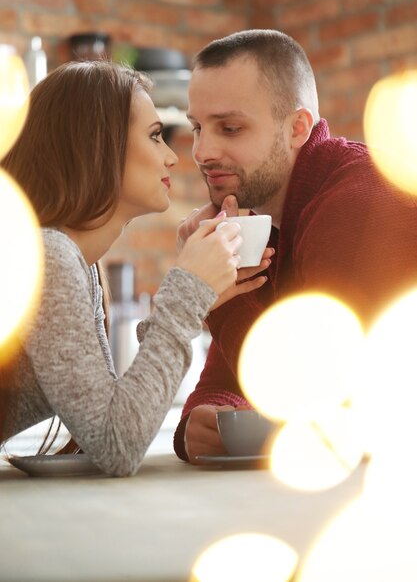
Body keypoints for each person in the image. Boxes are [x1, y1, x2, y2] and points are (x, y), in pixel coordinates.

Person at [0, 59, 271, 477]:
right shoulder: (50, 258)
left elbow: (112, 417)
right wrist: (186, 296)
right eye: (155, 136)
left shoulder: (77, 266)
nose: (171, 158)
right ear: (96, 145)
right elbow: (118, 444)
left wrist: (194, 299)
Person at [173, 28, 417, 463]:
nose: (203, 151)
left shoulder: (359, 201)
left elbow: (314, 401)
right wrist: (204, 420)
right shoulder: (264, 227)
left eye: (230, 128)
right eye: (197, 128)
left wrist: (213, 298)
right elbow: (224, 384)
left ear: (297, 128)